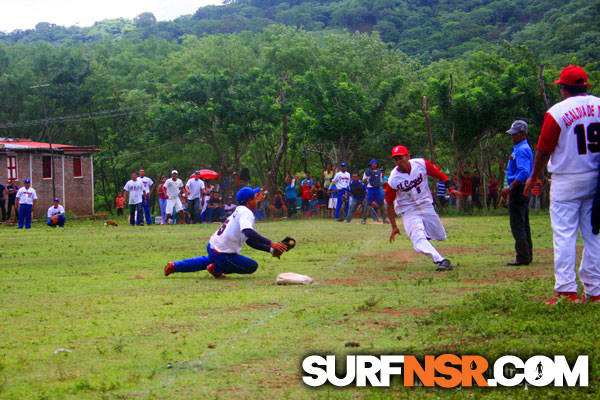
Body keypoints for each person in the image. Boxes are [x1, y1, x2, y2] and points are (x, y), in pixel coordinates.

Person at [523, 65, 600, 305]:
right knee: (594, 234)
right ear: (585, 86)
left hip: (567, 179)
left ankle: (567, 290)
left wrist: (533, 176)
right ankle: (595, 290)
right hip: (596, 178)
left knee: (565, 234)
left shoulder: (557, 111)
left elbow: (544, 149)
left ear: (563, 88)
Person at [164, 187, 288, 278]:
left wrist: (270, 250)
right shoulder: (246, 213)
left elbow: (249, 241)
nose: (257, 200)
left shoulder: (239, 210)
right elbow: (248, 232)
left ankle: (175, 266)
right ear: (249, 201)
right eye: (255, 197)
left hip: (212, 246)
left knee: (205, 261)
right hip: (222, 253)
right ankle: (216, 269)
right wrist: (271, 243)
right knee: (252, 266)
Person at [385, 145, 456, 271]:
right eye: (396, 159)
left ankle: (425, 235)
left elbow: (440, 175)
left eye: (400, 157)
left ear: (408, 156)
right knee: (418, 241)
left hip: (425, 204)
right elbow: (389, 203)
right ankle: (441, 260)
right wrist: (394, 226)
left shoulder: (421, 164)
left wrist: (450, 187)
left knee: (440, 236)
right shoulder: (393, 179)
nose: (398, 161)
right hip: (408, 210)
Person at [500, 120, 533, 266]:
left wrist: (510, 188)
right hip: (521, 188)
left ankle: (522, 257)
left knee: (517, 224)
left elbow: (524, 172)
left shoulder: (522, 149)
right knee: (523, 222)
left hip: (519, 189)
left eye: (515, 134)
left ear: (522, 134)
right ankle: (527, 254)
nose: (512, 137)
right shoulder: (519, 148)